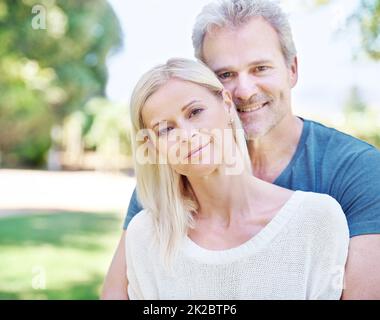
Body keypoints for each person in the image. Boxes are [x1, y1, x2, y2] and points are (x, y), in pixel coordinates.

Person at [101, 0, 380, 300]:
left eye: (260, 68)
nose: (244, 91)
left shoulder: (358, 171)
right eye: (225, 75)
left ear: (292, 69)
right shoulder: (173, 182)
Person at [126, 57, 349, 299]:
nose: (187, 135)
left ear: (226, 104)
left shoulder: (316, 219)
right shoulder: (146, 236)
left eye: (195, 112)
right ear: (153, 146)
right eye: (166, 129)